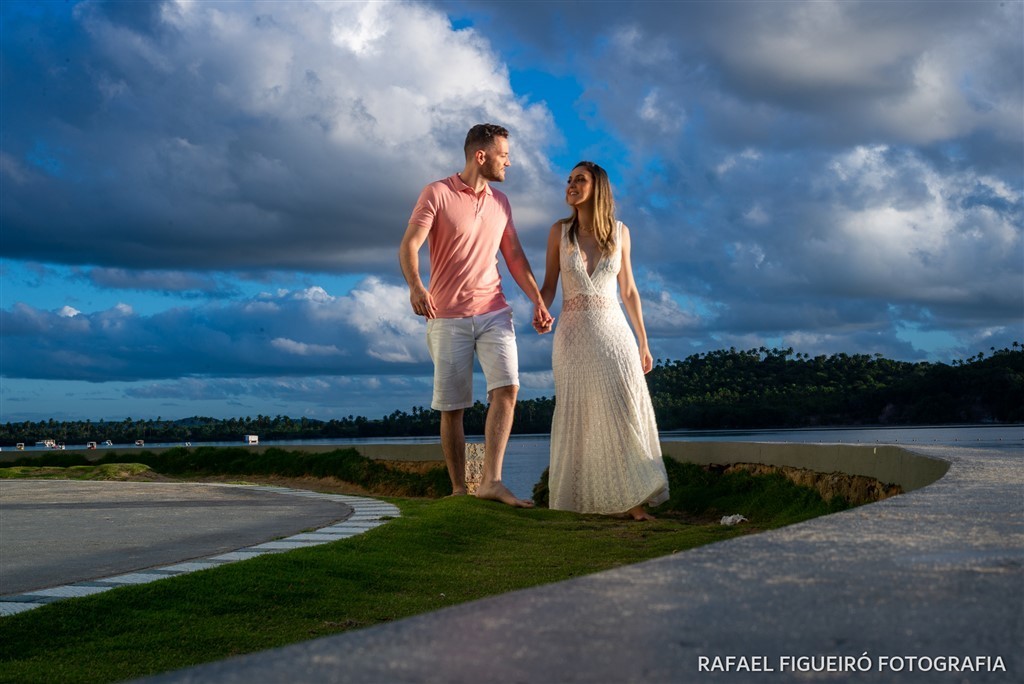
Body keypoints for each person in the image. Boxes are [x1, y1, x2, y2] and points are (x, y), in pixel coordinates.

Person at [399, 123, 553, 508]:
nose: (509, 162)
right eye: (504, 155)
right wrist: (417, 286)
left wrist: (537, 300)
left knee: (508, 388)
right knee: (453, 407)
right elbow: (410, 245)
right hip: (446, 315)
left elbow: (514, 255)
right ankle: (457, 489)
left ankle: (492, 481)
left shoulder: (501, 202)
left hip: (494, 310)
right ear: (480, 156)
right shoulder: (436, 193)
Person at [538, 161, 669, 520]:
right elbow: (549, 284)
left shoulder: (621, 232)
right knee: (578, 415)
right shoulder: (558, 232)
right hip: (572, 336)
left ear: (598, 187)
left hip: (615, 334)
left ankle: (633, 502)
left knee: (622, 408)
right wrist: (539, 308)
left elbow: (628, 290)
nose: (570, 185)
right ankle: (578, 500)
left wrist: (643, 342)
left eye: (579, 179)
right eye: (568, 180)